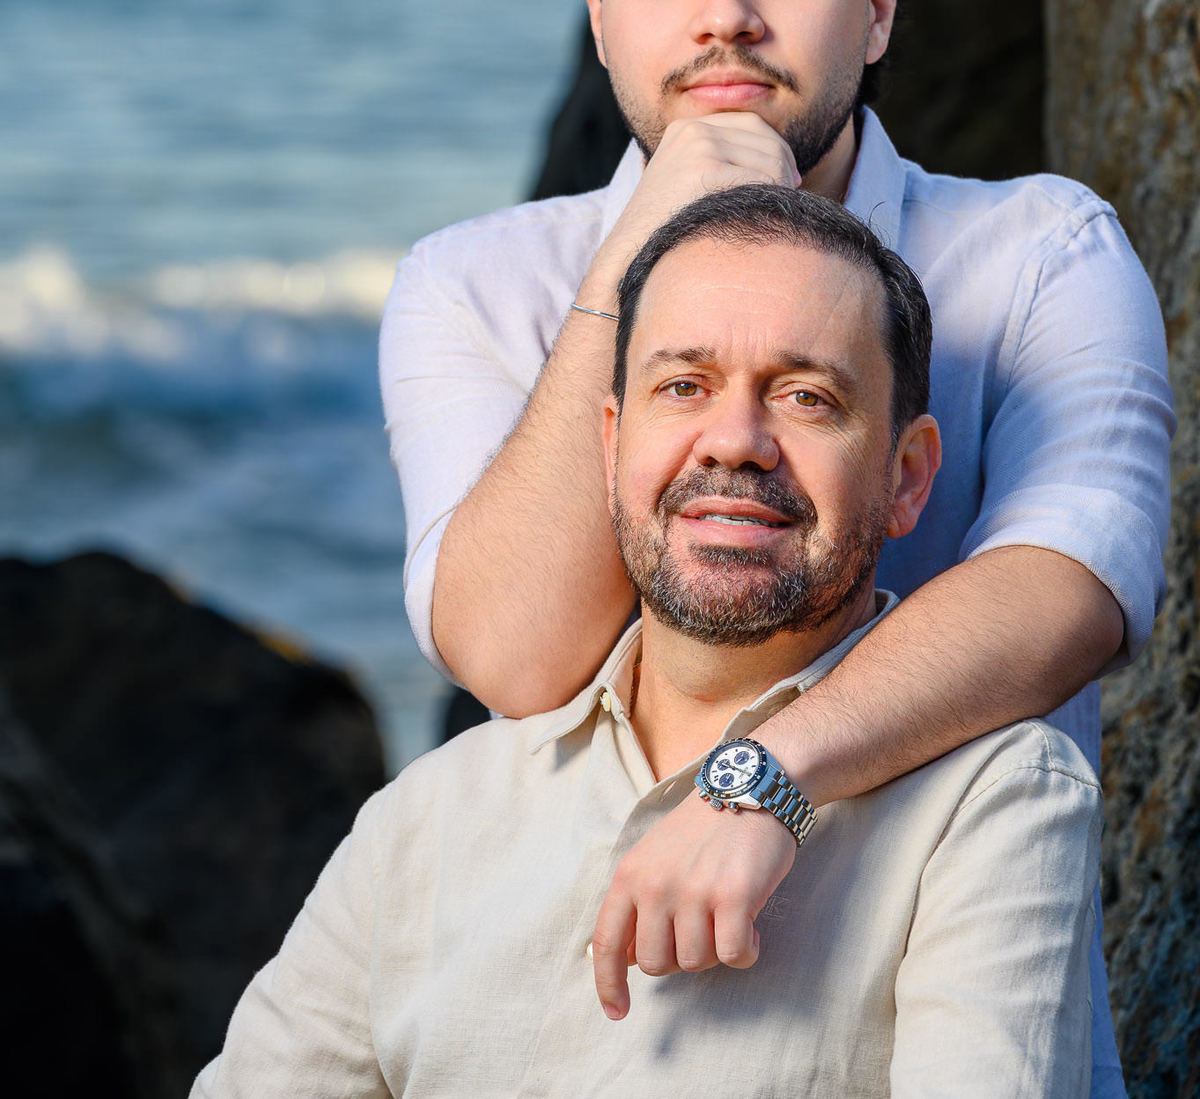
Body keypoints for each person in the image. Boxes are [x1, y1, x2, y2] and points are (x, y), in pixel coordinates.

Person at [380, 0, 1172, 1095]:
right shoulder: (477, 287)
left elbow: (1070, 589)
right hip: (576, 1040)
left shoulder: (1043, 255)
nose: (724, 14)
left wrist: (767, 777)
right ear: (599, 16)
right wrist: (642, 254)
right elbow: (509, 652)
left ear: (878, 6)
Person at [199, 189, 1102, 1097]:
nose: (736, 442)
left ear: (906, 477)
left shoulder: (996, 802)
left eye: (806, 396)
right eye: (684, 386)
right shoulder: (429, 817)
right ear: (611, 446)